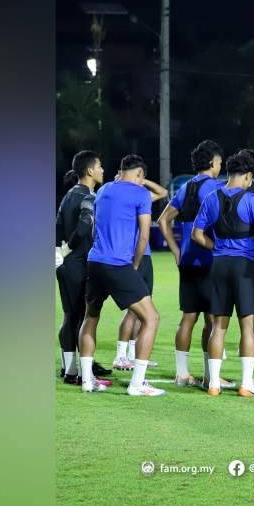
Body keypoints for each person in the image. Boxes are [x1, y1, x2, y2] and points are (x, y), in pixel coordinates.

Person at [192, 150, 254, 397]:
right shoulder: (251, 200)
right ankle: (246, 384)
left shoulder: (211, 197)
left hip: (219, 266)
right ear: (248, 176)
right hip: (245, 266)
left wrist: (216, 247)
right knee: (247, 326)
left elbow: (197, 235)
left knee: (218, 325)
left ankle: (214, 384)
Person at [80, 154, 165, 396]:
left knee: (91, 317)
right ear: (140, 175)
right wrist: (135, 266)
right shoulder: (139, 194)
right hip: (119, 264)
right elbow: (145, 236)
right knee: (151, 318)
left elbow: (95, 227)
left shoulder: (105, 189)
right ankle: (137, 384)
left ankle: (88, 380)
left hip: (95, 261)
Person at [157, 139, 235, 388]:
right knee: (213, 319)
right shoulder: (216, 188)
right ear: (213, 162)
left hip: (188, 259)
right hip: (210, 259)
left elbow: (163, 220)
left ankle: (182, 374)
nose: (221, 166)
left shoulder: (186, 187)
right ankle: (210, 376)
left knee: (188, 317)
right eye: (220, 162)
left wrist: (176, 250)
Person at [55, 151, 111, 385]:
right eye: (99, 166)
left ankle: (70, 370)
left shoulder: (69, 194)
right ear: (89, 171)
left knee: (71, 316)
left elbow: (57, 227)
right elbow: (84, 226)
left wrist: (60, 251)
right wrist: (70, 248)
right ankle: (76, 371)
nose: (102, 170)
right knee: (81, 317)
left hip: (65, 263)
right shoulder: (88, 196)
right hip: (77, 262)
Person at [111, 171, 168, 371]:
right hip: (131, 255)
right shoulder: (114, 198)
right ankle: (120, 356)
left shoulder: (139, 196)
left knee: (142, 311)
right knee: (132, 310)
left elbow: (162, 192)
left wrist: (142, 180)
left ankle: (135, 356)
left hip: (146, 256)